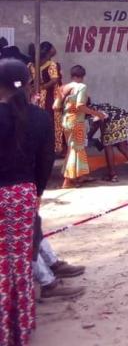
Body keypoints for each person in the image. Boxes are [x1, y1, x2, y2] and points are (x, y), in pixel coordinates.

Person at [0, 59, 56, 343]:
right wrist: (36, 194)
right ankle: (20, 329)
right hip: (23, 194)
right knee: (20, 262)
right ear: (29, 82)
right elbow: (46, 161)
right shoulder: (40, 118)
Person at [60, 65, 105, 188]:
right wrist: (97, 113)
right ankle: (68, 180)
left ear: (72, 75)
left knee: (73, 148)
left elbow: (55, 106)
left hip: (66, 121)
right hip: (77, 122)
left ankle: (81, 175)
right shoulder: (81, 87)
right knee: (76, 149)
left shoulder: (63, 87)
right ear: (83, 76)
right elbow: (80, 106)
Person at [88, 101, 128, 181]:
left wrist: (89, 137)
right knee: (123, 147)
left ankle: (112, 175)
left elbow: (98, 124)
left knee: (108, 146)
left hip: (112, 121)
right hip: (125, 118)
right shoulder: (99, 105)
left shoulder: (90, 110)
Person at [27, 41, 65, 154]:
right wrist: (42, 87)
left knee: (37, 119)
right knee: (53, 120)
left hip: (35, 96)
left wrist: (32, 89)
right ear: (49, 52)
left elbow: (28, 80)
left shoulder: (30, 65)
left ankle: (39, 145)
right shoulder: (51, 64)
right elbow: (55, 80)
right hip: (50, 96)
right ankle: (55, 146)